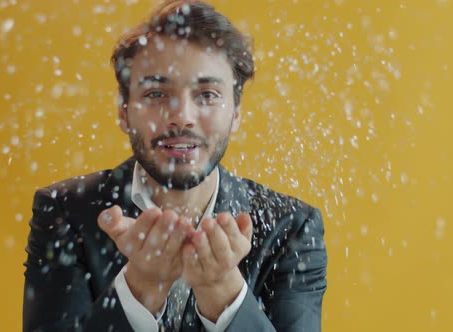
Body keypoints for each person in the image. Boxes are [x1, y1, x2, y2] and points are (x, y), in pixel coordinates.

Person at [22, 0, 327, 331]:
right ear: (124, 112)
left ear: (235, 114)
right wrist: (140, 288)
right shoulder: (66, 212)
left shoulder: (292, 228)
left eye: (207, 94)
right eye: (155, 94)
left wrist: (222, 291)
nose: (182, 116)